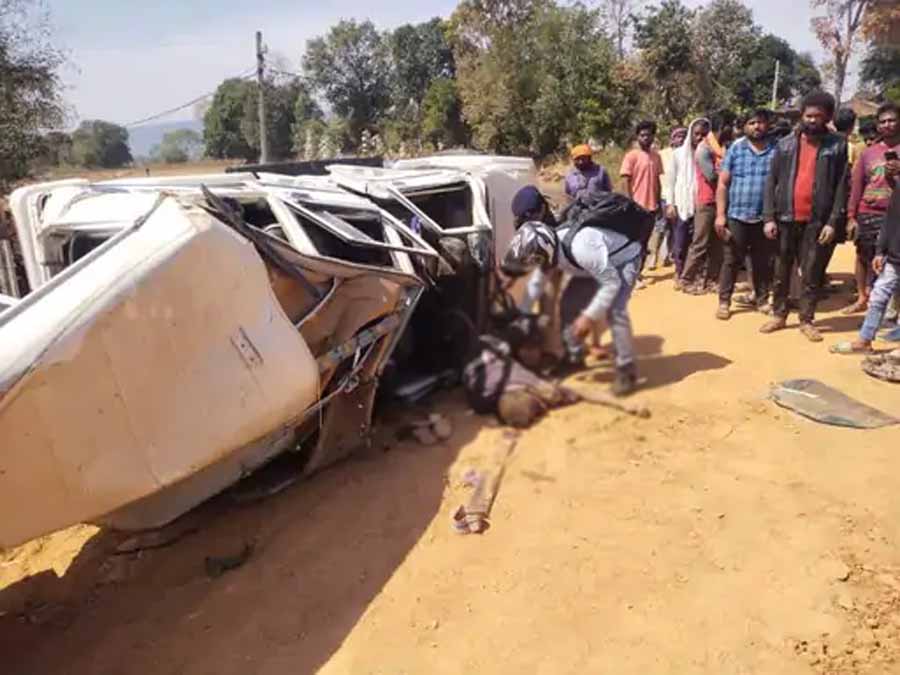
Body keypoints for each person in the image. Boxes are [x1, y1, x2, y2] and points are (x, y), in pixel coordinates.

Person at [504, 208, 644, 396]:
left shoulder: (581, 248)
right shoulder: (549, 251)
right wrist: (522, 316)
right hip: (590, 268)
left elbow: (611, 284)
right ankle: (574, 357)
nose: (534, 266)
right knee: (568, 304)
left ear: (543, 254)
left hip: (623, 261)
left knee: (615, 310)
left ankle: (627, 369)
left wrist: (588, 316)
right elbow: (536, 284)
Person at [760, 90, 849, 342]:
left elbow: (842, 186)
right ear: (802, 115)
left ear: (827, 117)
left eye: (817, 116)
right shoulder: (785, 144)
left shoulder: (837, 145)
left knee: (812, 272)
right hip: (785, 218)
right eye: (808, 115)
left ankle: (806, 320)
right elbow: (771, 181)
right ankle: (779, 314)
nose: (811, 120)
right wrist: (769, 217)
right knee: (781, 270)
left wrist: (832, 222)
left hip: (817, 221)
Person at [830, 155, 900, 354]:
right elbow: (890, 219)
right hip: (895, 255)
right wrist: (880, 250)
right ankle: (864, 340)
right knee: (878, 295)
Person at [714, 108, 777, 320]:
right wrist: (720, 215)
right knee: (731, 260)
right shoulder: (736, 149)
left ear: (767, 125)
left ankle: (761, 299)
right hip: (737, 215)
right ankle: (724, 301)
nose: (756, 126)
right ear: (744, 126)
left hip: (764, 217)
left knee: (762, 261)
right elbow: (723, 184)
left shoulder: (776, 150)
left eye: (760, 122)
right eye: (751, 122)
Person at [843, 102, 900, 315]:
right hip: (868, 212)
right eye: (883, 121)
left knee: (892, 261)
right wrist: (851, 216)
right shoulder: (868, 153)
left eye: (892, 120)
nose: (887, 125)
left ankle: (889, 307)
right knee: (863, 256)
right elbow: (857, 185)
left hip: (895, 215)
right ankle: (862, 298)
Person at [680, 115, 727, 294]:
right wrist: (726, 174)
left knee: (717, 244)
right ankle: (687, 280)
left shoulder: (719, 149)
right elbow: (712, 176)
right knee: (700, 243)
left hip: (719, 201)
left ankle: (712, 280)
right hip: (706, 201)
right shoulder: (703, 150)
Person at [666, 118, 710, 285]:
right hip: (681, 204)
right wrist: (670, 204)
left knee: (697, 241)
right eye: (696, 134)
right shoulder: (677, 154)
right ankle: (679, 272)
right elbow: (670, 181)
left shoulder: (708, 153)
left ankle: (693, 274)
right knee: (680, 241)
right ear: (690, 134)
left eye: (703, 134)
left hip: (701, 204)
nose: (699, 138)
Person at [649, 126, 687, 270]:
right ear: (672, 138)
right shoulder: (662, 154)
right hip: (664, 196)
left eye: (683, 136)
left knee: (675, 228)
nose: (681, 139)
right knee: (660, 227)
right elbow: (655, 175)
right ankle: (653, 257)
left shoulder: (688, 154)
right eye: (678, 136)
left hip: (681, 198)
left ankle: (669, 256)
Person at [620, 121, 664, 214]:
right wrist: (630, 204)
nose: (645, 138)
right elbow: (625, 181)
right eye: (642, 135)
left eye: (648, 135)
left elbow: (657, 181)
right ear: (637, 137)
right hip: (636, 205)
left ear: (653, 137)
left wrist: (659, 203)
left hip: (652, 207)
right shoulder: (631, 156)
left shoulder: (657, 156)